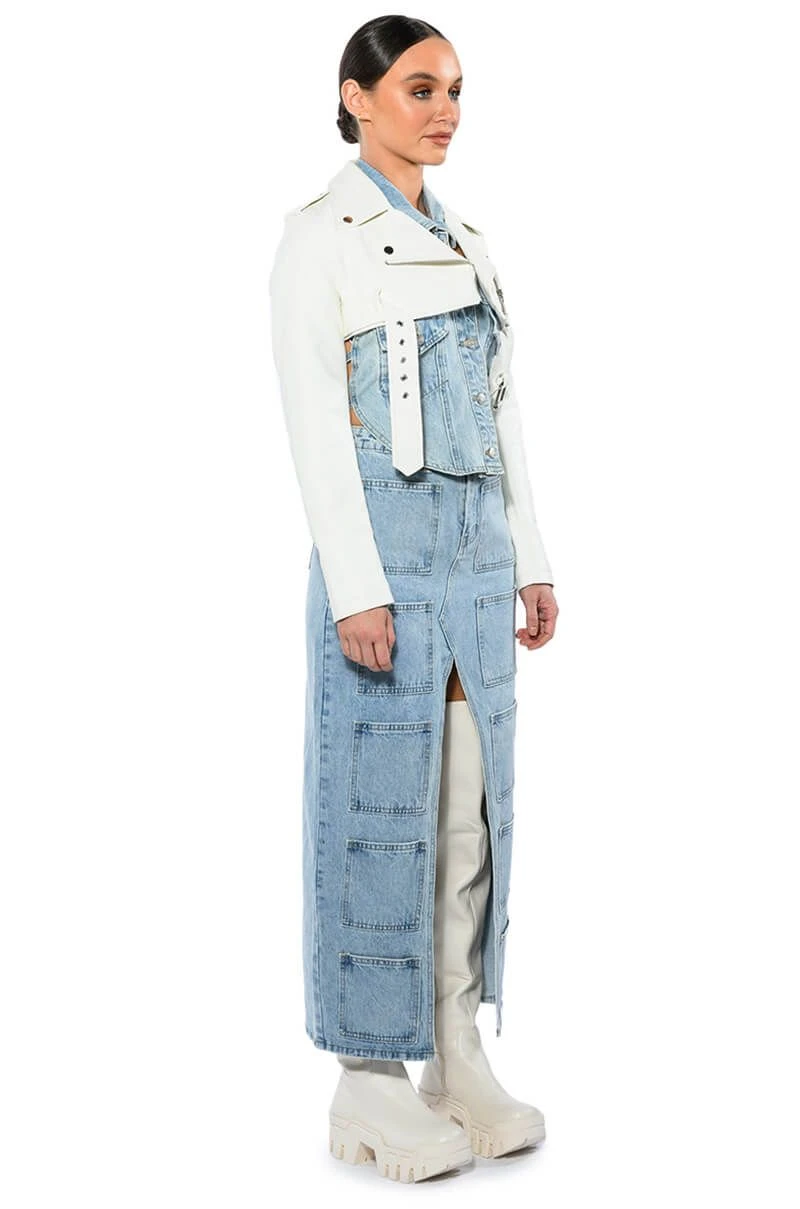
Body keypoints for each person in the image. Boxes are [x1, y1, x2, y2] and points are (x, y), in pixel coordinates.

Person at [268, 15, 559, 1182]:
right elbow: (312, 427)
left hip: (475, 561)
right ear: (356, 97)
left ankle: (454, 1054)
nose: (444, 110)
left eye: (454, 90)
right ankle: (368, 1081)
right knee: (375, 810)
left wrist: (529, 557)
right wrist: (355, 584)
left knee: (467, 810)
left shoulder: (471, 245)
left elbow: (499, 415)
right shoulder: (318, 239)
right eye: (418, 88)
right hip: (384, 563)